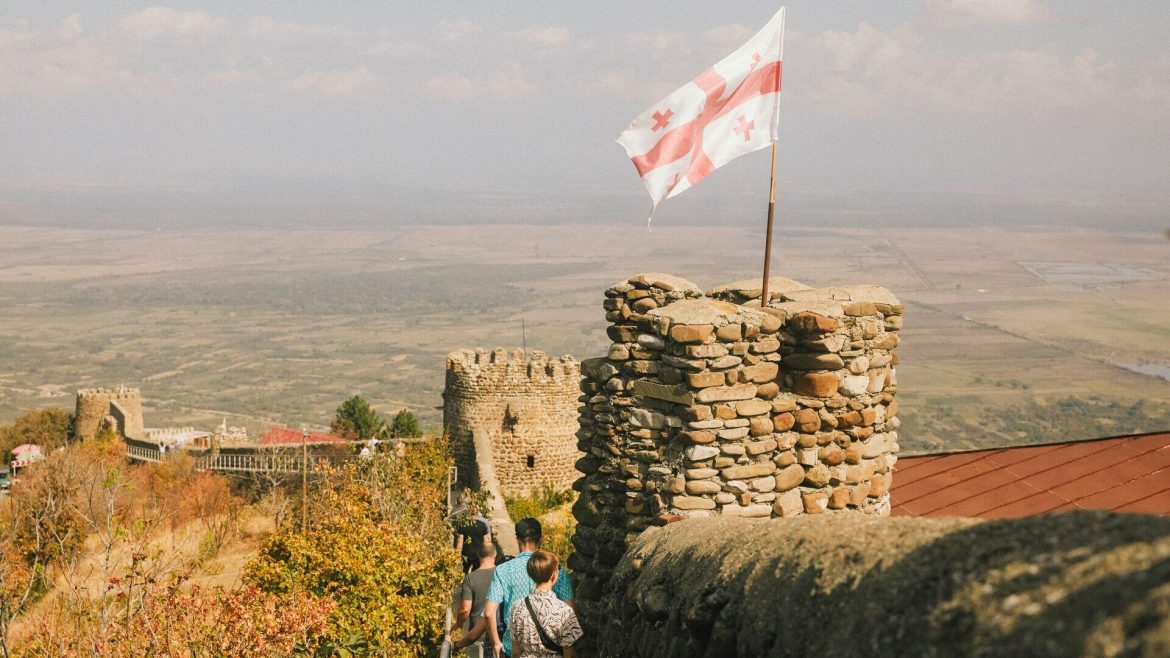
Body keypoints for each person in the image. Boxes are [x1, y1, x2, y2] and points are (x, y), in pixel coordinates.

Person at [484, 518, 573, 658]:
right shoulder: (557, 571)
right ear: (541, 539)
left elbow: (489, 613)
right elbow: (569, 611)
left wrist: (496, 643)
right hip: (552, 650)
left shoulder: (502, 570)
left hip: (514, 650)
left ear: (517, 539)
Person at [508, 550, 581, 658]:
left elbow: (515, 652)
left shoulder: (517, 607)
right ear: (554, 575)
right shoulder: (564, 611)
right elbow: (569, 654)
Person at [455, 541, 498, 658]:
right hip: (498, 635)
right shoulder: (502, 574)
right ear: (495, 555)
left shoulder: (471, 578)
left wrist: (457, 625)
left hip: (476, 637)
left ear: (479, 555)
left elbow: (465, 610)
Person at [454, 504, 492, 573]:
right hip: (478, 554)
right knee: (477, 573)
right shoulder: (482, 524)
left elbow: (460, 542)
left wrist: (457, 556)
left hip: (466, 554)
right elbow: (486, 541)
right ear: (477, 512)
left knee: (464, 572)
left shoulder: (463, 524)